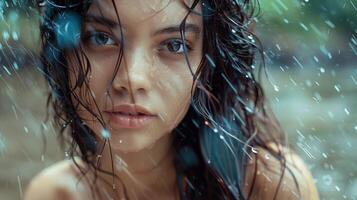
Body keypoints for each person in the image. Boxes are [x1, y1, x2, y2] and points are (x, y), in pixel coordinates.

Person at [25, 0, 319, 199]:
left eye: (174, 45)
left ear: (207, 65)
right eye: (102, 38)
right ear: (63, 51)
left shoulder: (267, 186)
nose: (132, 78)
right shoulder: (55, 194)